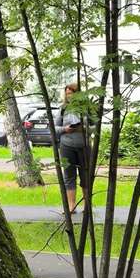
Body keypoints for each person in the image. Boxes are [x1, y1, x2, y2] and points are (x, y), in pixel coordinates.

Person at [55, 83, 88, 214]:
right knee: (69, 176)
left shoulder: (86, 108)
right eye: (67, 94)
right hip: (66, 146)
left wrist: (83, 129)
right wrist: (65, 129)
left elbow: (95, 126)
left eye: (72, 93)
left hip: (84, 147)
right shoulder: (63, 109)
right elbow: (54, 128)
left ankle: (87, 206)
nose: (69, 96)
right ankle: (71, 206)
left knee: (85, 176)